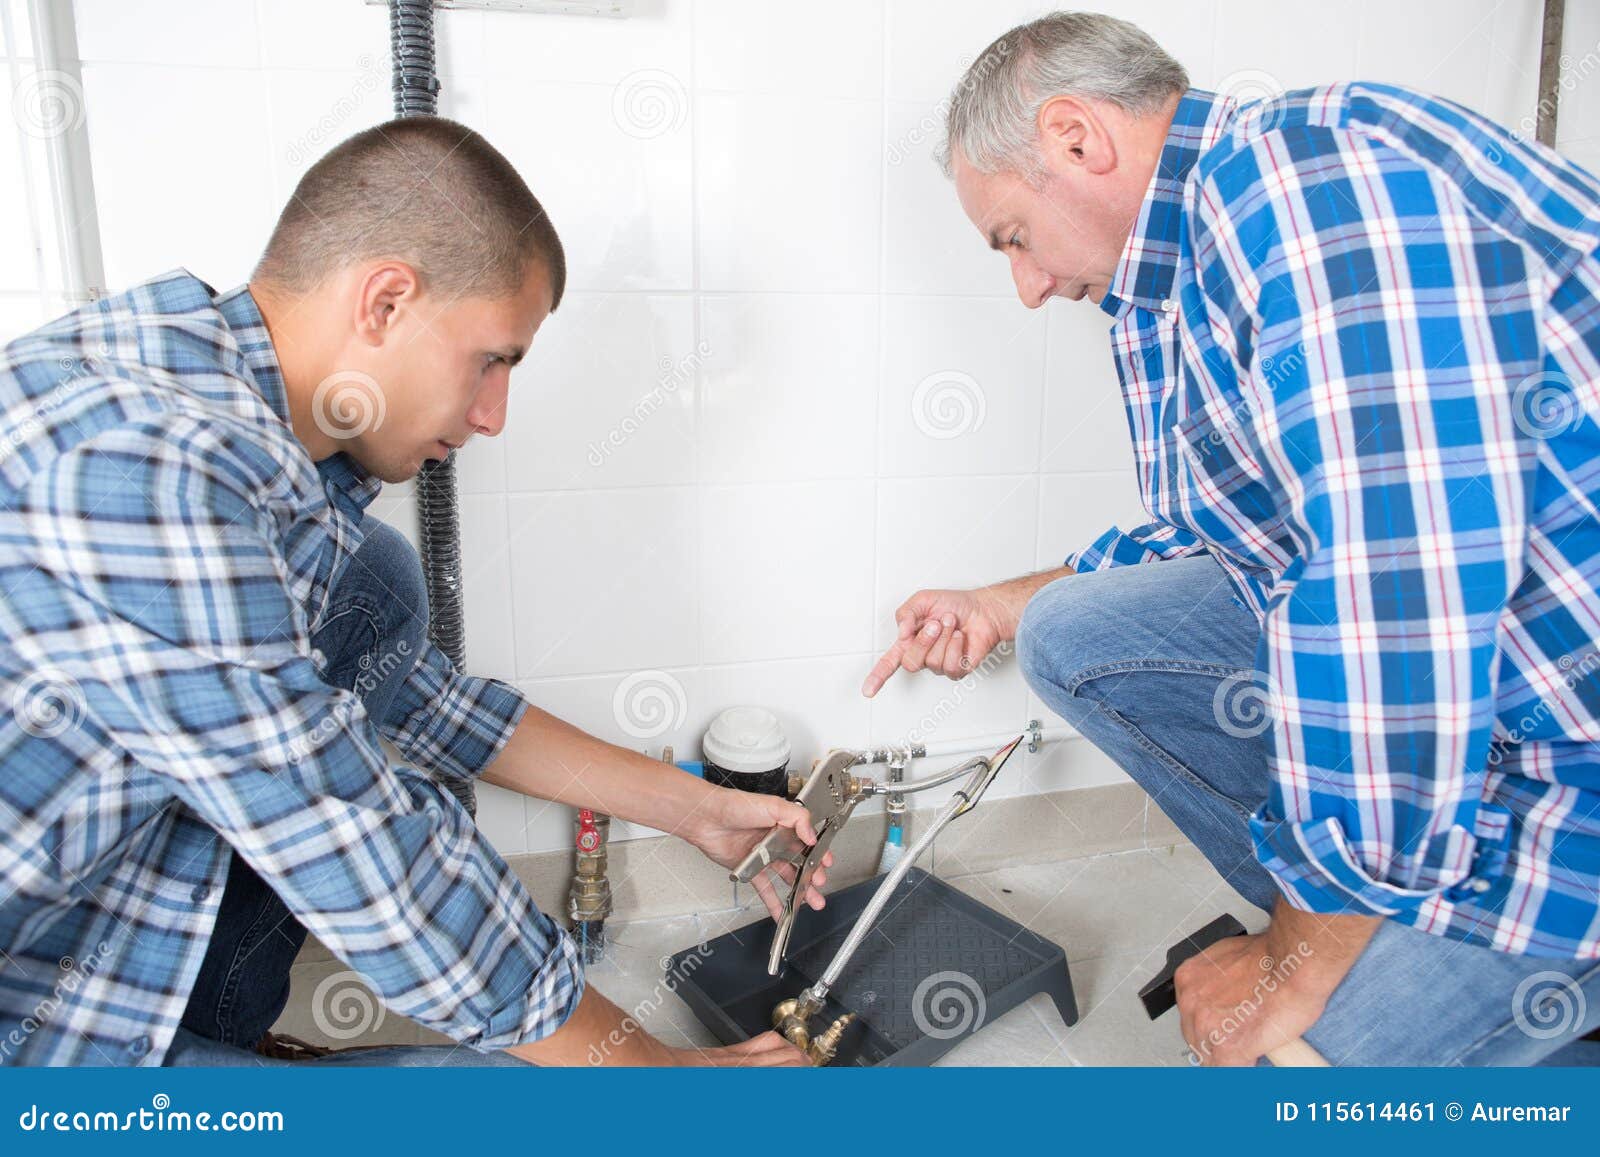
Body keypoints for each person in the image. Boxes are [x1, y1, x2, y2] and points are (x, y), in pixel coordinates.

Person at [0, 117, 828, 1068]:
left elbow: (420, 702)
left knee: (374, 587)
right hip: (38, 1029)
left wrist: (690, 807)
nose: (494, 416)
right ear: (387, 301)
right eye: (493, 360)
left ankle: (224, 1046)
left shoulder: (208, 381)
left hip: (92, 913)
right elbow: (352, 841)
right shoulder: (152, 468)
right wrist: (662, 1081)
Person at [866, 11, 1600, 1065]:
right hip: (1493, 692)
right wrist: (998, 604)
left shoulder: (1307, 188)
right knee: (1071, 632)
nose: (1024, 287)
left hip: (1564, 754)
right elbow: (1231, 531)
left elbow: (1388, 597)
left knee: (1286, 1073)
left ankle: (1397, 947)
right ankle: (1376, 906)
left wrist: (1286, 962)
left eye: (1012, 238)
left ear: (1076, 138)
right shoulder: (1187, 261)